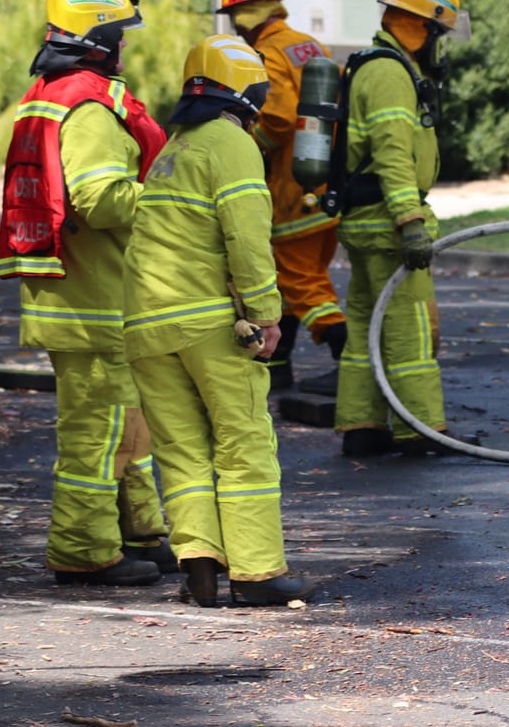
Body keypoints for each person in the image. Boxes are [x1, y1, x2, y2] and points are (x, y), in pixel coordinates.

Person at [123, 34, 315, 607]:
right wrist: (265, 313)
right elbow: (247, 235)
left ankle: (201, 569)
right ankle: (256, 573)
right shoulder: (231, 144)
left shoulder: (174, 149)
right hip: (209, 321)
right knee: (243, 441)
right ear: (248, 91)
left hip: (146, 325)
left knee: (181, 450)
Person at [0, 0, 171, 586]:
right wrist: (175, 203)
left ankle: (138, 531)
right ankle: (83, 551)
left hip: (85, 293)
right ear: (101, 38)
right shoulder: (90, 107)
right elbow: (101, 199)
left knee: (127, 423)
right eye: (119, 33)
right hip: (92, 297)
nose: (124, 46)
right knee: (98, 432)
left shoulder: (53, 93)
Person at [334, 0, 462, 457]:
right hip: (388, 223)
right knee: (411, 328)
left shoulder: (373, 66)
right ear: (421, 28)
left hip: (365, 218)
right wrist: (409, 221)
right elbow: (391, 153)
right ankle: (421, 430)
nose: (439, 47)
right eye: (438, 34)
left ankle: (361, 427)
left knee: (367, 326)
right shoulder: (390, 73)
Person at [218, 0, 346, 392]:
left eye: (236, 16)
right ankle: (279, 370)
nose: (235, 25)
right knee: (293, 282)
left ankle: (349, 364)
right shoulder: (307, 45)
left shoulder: (267, 52)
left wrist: (245, 145)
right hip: (326, 184)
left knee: (301, 283)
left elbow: (276, 118)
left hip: (293, 189)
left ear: (245, 15)